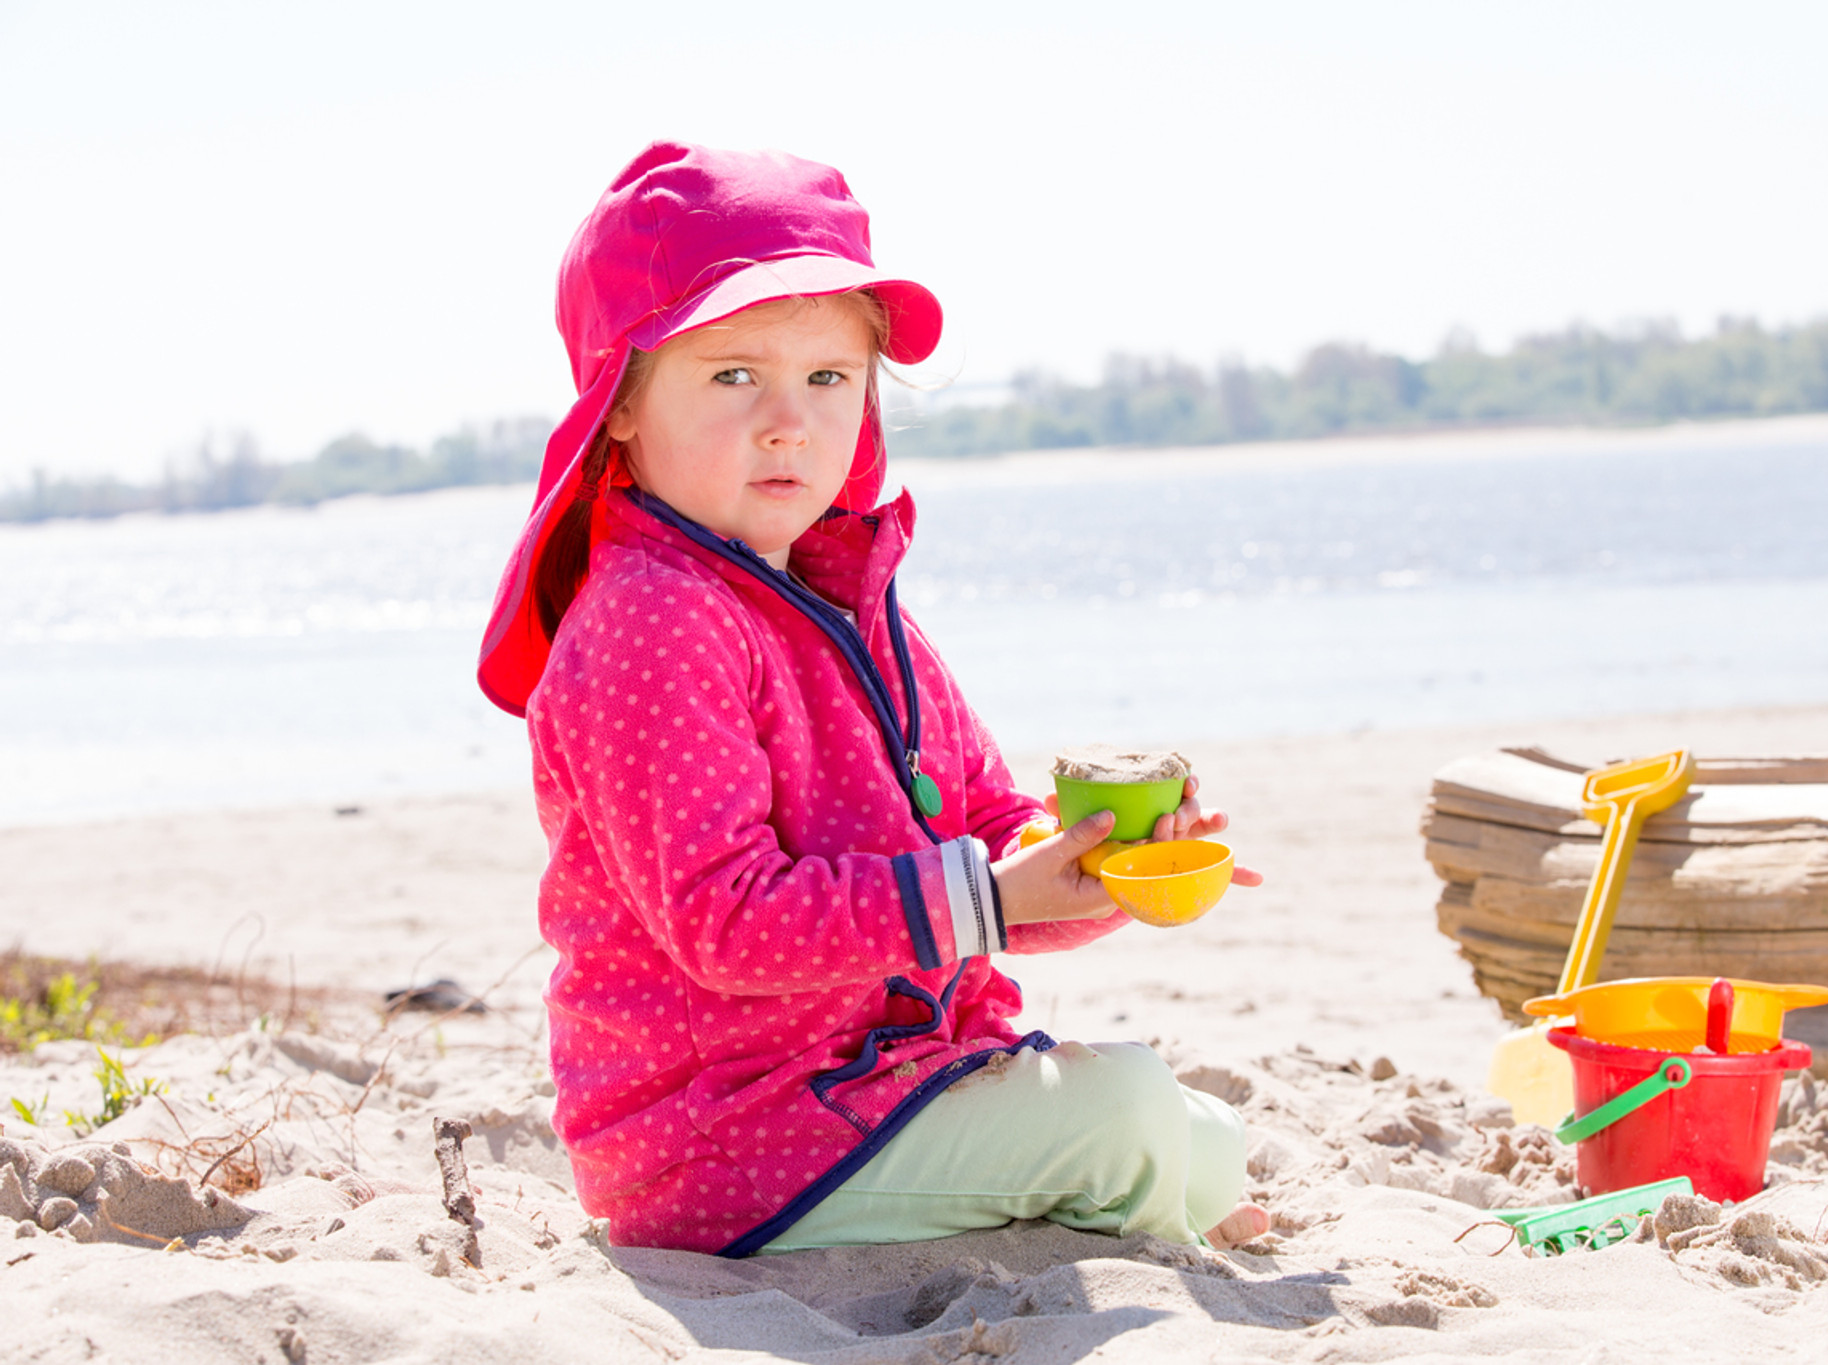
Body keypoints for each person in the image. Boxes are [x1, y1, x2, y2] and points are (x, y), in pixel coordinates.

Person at [477, 141, 1265, 1257]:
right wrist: (992, 899)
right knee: (1129, 1115)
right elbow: (724, 921)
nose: (788, 420)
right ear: (618, 405)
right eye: (732, 374)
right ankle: (1123, 1208)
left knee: (1203, 1133)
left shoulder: (845, 590)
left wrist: (1097, 864)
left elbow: (986, 824)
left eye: (827, 377)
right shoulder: (653, 618)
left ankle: (1133, 1195)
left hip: (889, 1079)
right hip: (726, 1136)